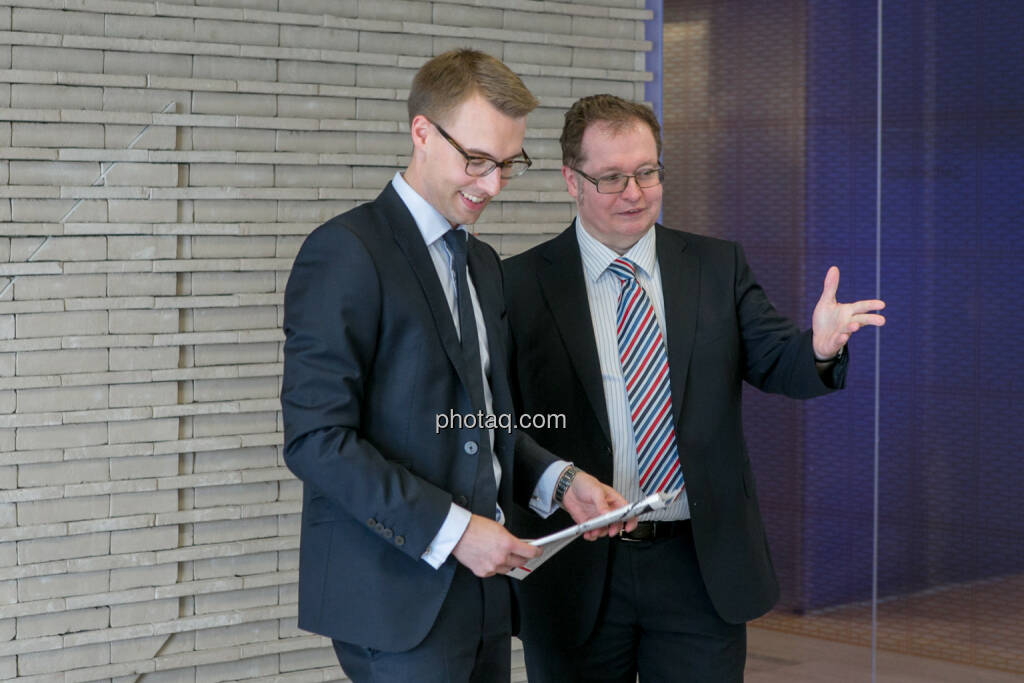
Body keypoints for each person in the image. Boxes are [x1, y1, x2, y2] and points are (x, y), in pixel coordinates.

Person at [503, 94, 886, 682]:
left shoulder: (715, 266)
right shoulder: (518, 284)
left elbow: (777, 358)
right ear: (570, 181)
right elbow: (498, 422)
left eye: (648, 171)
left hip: (699, 566)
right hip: (573, 567)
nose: (634, 192)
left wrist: (818, 346)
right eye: (611, 177)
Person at [280, 53, 632, 683]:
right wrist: (453, 530)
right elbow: (317, 440)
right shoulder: (344, 252)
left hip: (483, 594)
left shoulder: (482, 264)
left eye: (507, 164)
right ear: (421, 133)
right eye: (477, 160)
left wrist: (560, 480)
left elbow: (476, 421)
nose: (492, 184)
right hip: (396, 597)